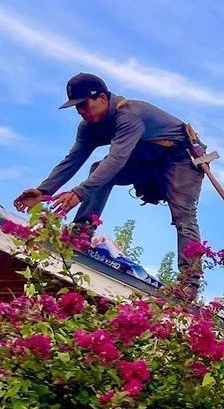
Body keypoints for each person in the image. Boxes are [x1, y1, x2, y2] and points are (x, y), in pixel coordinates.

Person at [13, 73, 204, 281]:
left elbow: (117, 159)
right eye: (77, 108)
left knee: (183, 217)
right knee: (97, 168)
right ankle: (80, 235)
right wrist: (44, 191)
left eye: (84, 105)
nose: (81, 112)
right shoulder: (88, 127)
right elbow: (73, 159)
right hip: (147, 161)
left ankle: (189, 282)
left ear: (102, 98)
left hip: (179, 159)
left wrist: (80, 192)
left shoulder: (129, 115)